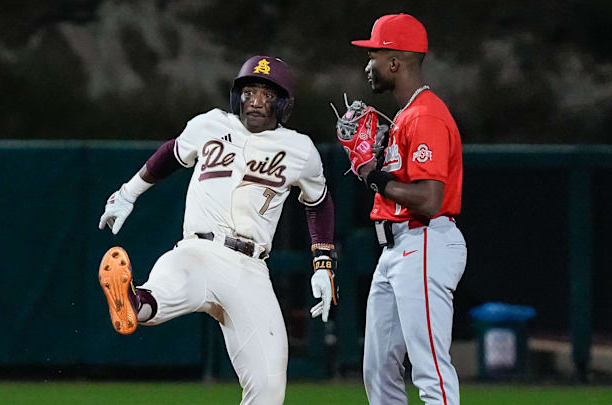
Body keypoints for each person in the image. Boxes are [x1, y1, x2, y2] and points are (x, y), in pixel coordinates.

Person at [97, 55, 338, 405]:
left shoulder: (299, 149)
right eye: (249, 91)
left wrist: (323, 263)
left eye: (267, 95)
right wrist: (127, 192)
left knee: (269, 388)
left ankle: (138, 304)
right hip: (199, 250)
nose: (255, 100)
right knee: (163, 288)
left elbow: (319, 202)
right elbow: (171, 155)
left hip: (251, 269)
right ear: (237, 95)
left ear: (283, 103)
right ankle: (132, 303)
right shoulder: (209, 124)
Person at [348, 13, 467, 405]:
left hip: (425, 241)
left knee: (430, 370)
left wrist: (373, 175)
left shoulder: (426, 115)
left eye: (374, 56)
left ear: (395, 62)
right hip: (397, 248)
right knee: (378, 369)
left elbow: (431, 200)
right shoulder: (406, 116)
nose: (369, 66)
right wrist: (379, 163)